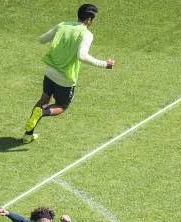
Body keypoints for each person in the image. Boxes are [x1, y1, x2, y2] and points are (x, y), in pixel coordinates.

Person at [22, 3, 115, 143]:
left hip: (50, 71)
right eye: (93, 19)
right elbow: (82, 56)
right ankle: (42, 112)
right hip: (65, 78)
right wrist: (105, 64)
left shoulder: (62, 25)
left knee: (44, 99)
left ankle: (28, 135)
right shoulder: (87, 34)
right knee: (61, 106)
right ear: (89, 19)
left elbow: (41, 39)